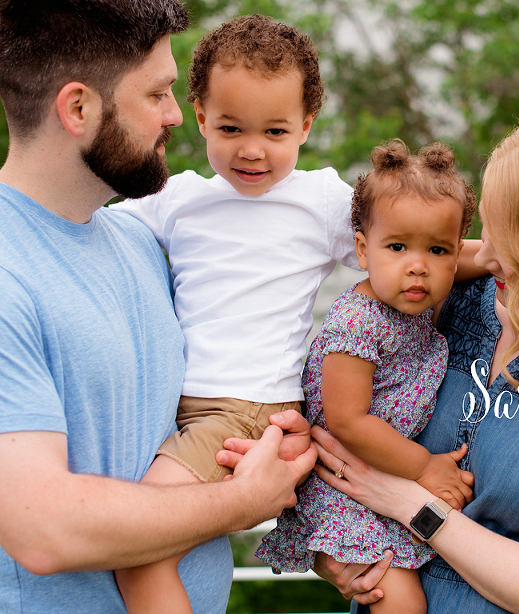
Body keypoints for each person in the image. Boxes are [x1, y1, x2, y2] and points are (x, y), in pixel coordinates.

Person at [221, 104, 519, 612]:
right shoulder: (444, 299)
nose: (482, 254)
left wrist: (411, 504)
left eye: (507, 240)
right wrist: (331, 544)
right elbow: (345, 419)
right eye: (486, 228)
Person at [0, 3, 316, 614]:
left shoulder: (139, 242)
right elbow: (41, 529)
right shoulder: (7, 271)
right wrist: (244, 502)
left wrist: (267, 436)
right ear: (78, 108)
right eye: (157, 94)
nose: (176, 115)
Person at [106, 14, 363, 613]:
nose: (252, 149)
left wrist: (491, 257)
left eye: (275, 131)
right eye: (230, 128)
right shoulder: (178, 198)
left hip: (246, 409)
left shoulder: (321, 200)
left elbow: (404, 250)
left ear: (306, 125)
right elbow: (86, 226)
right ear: (199, 117)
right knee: (157, 543)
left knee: (138, 548)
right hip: (185, 410)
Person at [255, 140, 477, 614]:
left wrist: (499, 257)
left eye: (437, 250)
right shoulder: (359, 321)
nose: (417, 265)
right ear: (362, 249)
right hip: (342, 490)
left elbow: (479, 258)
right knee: (399, 600)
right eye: (397, 247)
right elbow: (347, 420)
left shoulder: (413, 296)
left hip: (381, 480)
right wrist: (425, 468)